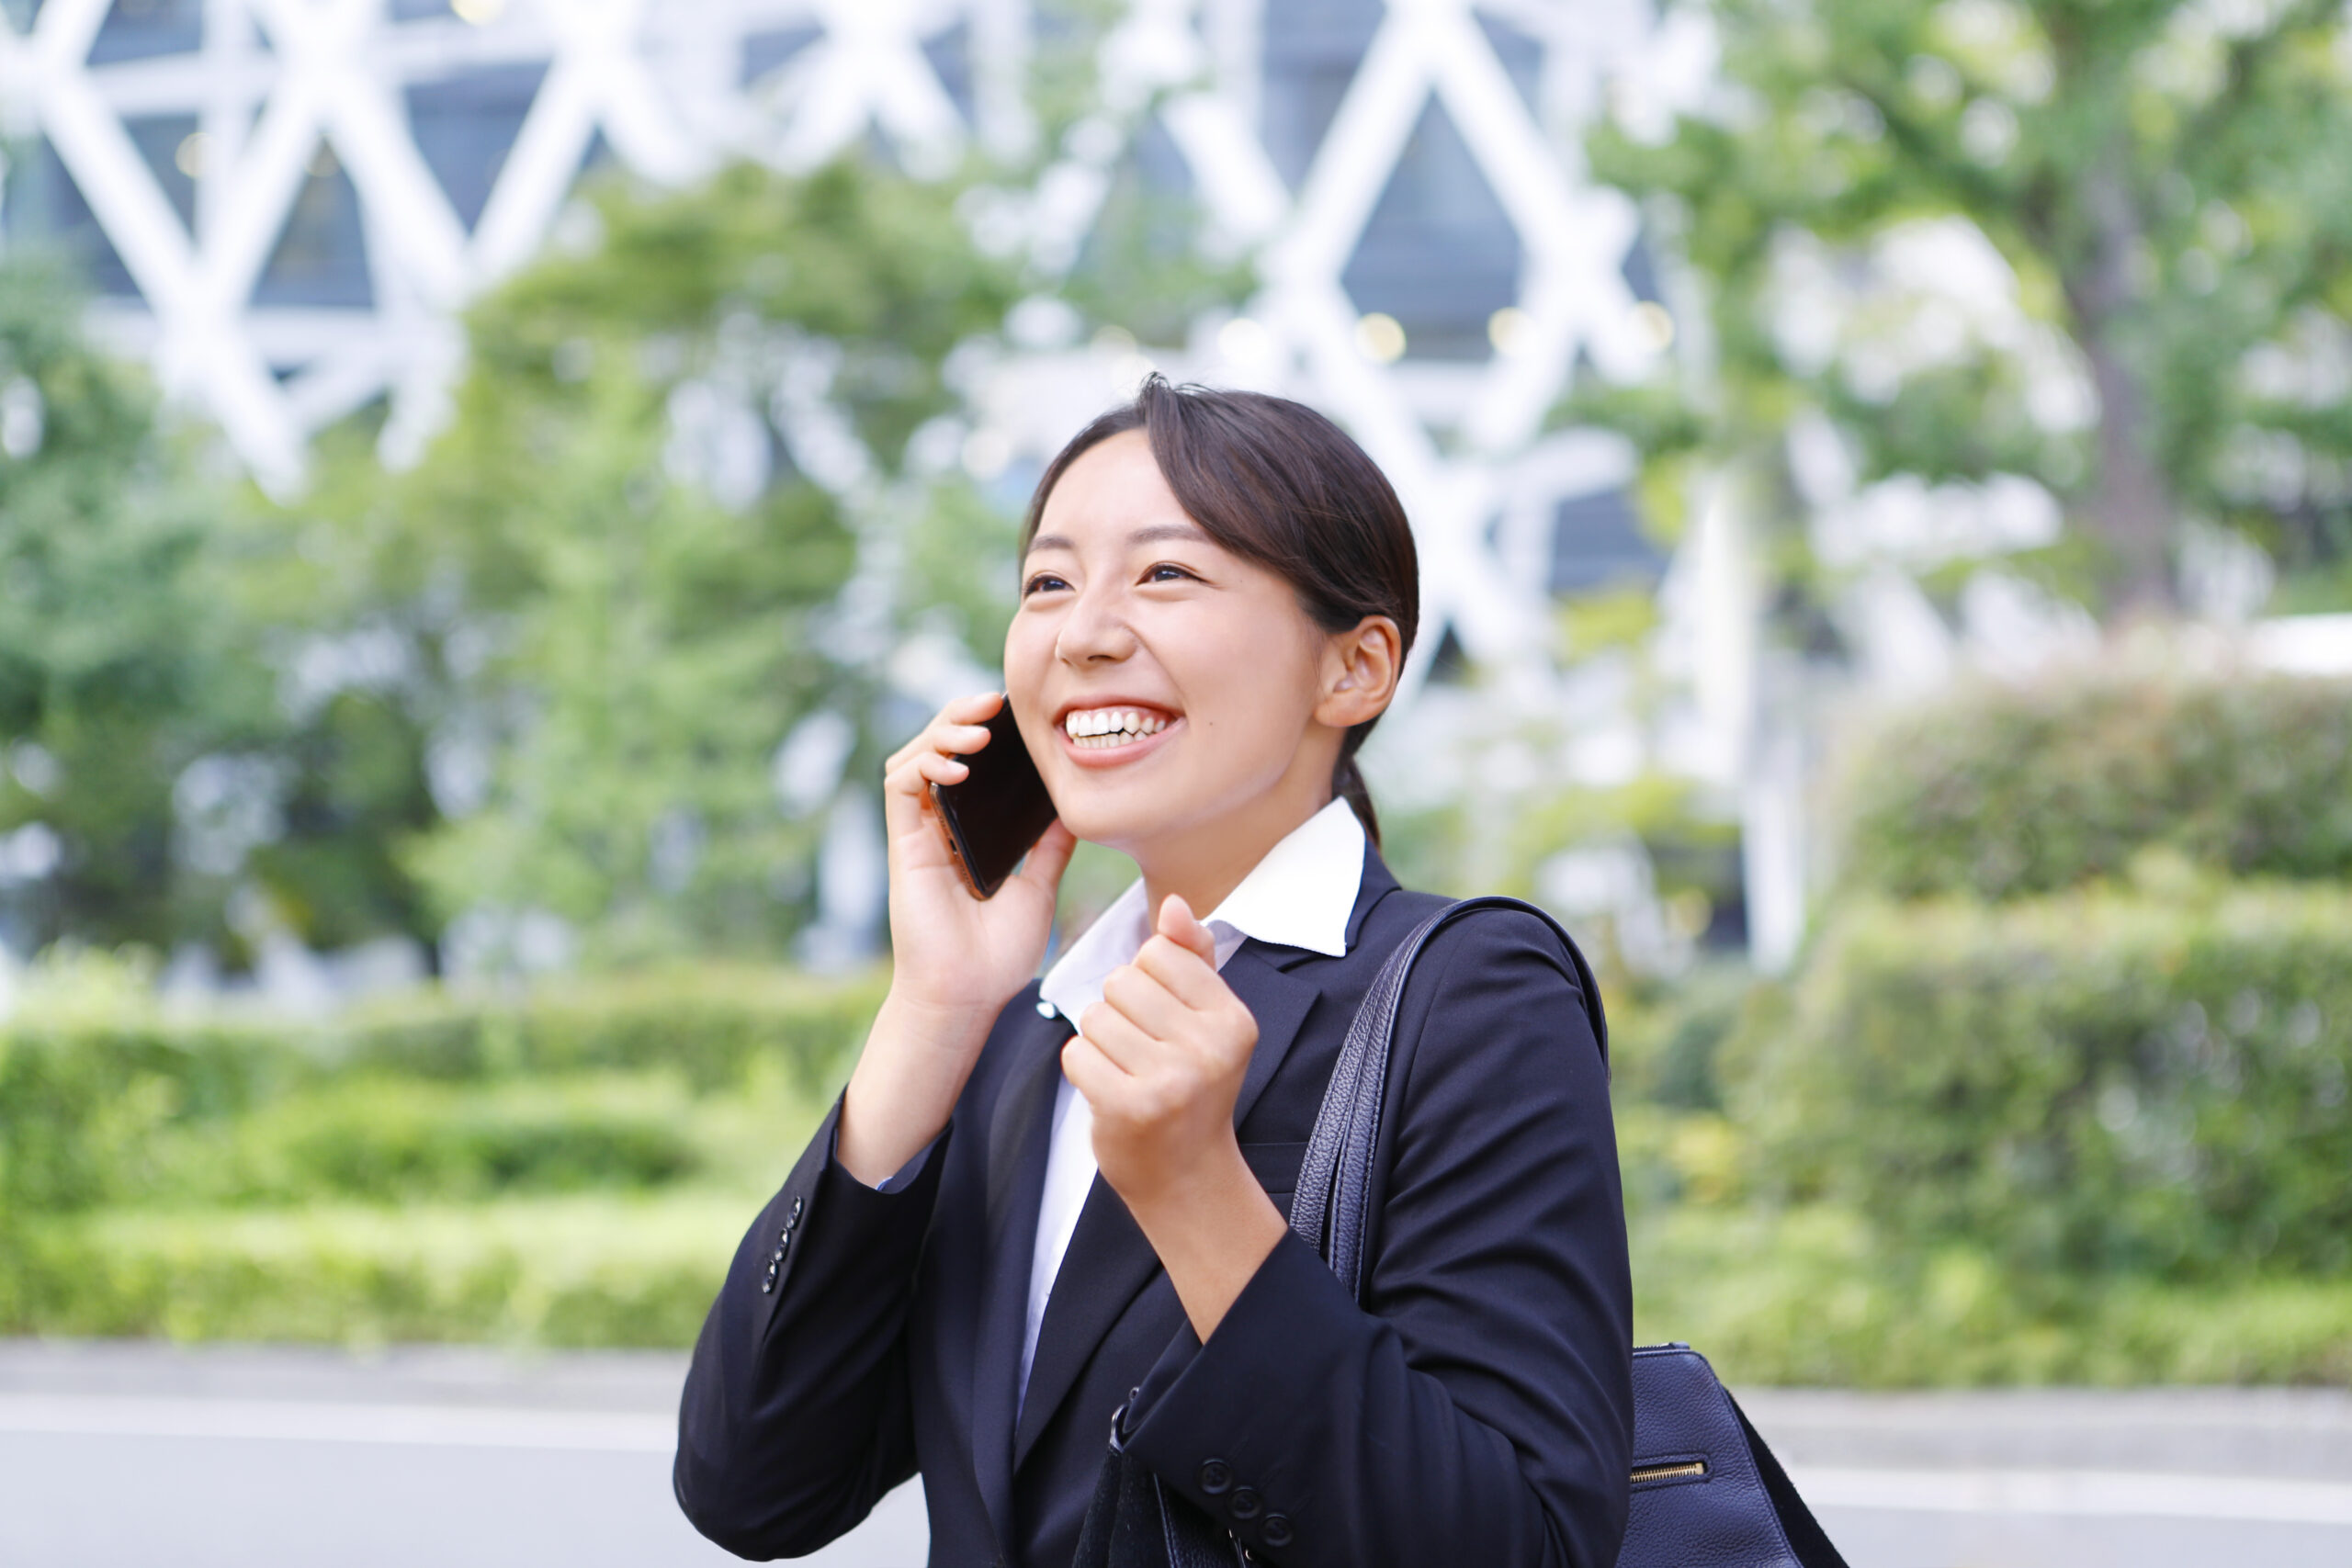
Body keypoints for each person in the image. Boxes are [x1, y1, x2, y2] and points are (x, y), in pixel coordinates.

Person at [674, 377, 1633, 1568]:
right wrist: (935, 1006)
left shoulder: (1470, 996)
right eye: (1048, 583)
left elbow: (1525, 1545)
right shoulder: (1027, 1034)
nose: (1082, 634)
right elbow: (751, 1488)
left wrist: (1197, 1196)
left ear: (1355, 667)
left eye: (1166, 573)